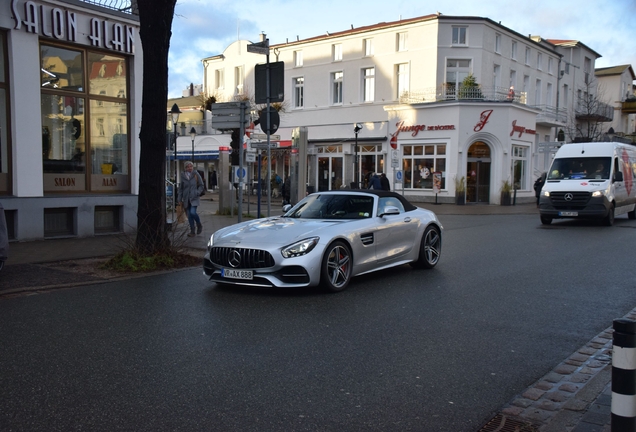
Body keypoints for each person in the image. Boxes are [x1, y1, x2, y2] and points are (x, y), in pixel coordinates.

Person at [178, 161, 204, 237]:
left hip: (194, 197)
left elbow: (201, 185)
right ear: (185, 168)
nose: (190, 168)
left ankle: (199, 224)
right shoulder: (183, 175)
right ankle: (192, 231)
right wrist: (179, 199)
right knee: (189, 215)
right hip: (186, 198)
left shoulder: (196, 174)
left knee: (193, 212)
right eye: (188, 167)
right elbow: (181, 188)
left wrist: (197, 192)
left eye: (191, 166)